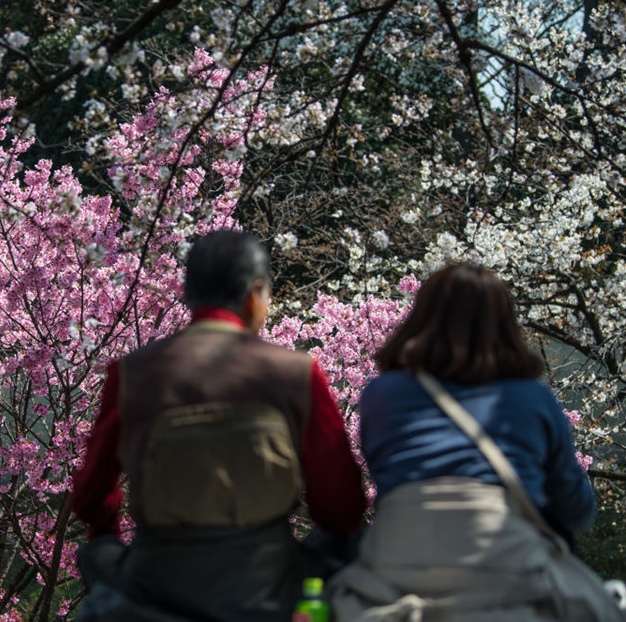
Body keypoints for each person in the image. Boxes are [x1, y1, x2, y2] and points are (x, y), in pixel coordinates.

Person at [71, 229, 366, 622]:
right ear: (255, 293)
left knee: (97, 555)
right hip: (267, 584)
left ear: (189, 294)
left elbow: (92, 495)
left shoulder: (132, 373)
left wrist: (106, 535)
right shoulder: (296, 372)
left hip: (155, 581)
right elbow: (340, 503)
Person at [328, 263, 615, 621]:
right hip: (507, 571)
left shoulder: (381, 395)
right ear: (503, 323)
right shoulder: (533, 398)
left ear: (423, 317)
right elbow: (576, 511)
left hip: (399, 567)